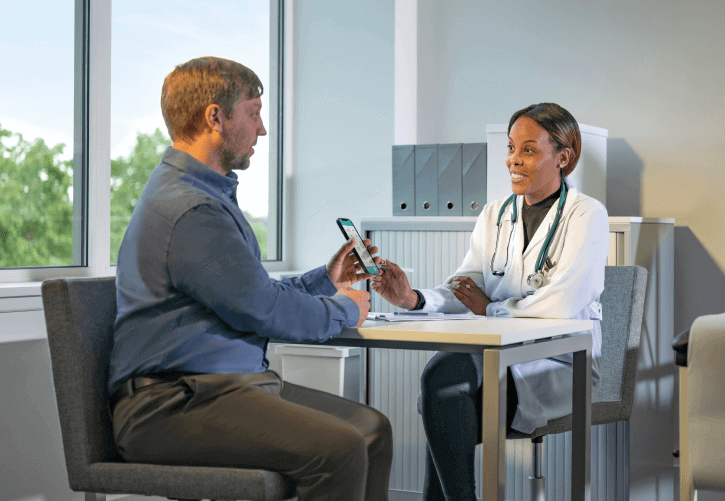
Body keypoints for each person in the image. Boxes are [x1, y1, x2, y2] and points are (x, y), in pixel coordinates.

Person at [108, 56, 392, 501]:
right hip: (172, 405)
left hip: (223, 389)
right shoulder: (191, 208)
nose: (262, 129)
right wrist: (344, 308)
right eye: (254, 113)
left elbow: (250, 293)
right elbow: (264, 310)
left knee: (371, 430)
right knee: (337, 449)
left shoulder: (204, 195)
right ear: (215, 118)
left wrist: (324, 280)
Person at [372, 103, 608, 501]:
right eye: (512, 148)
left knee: (442, 394)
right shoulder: (496, 214)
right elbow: (465, 287)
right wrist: (413, 299)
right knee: (441, 387)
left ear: (563, 157)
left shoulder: (586, 214)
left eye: (529, 150)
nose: (513, 160)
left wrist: (490, 309)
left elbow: (562, 304)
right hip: (498, 355)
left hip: (560, 361)